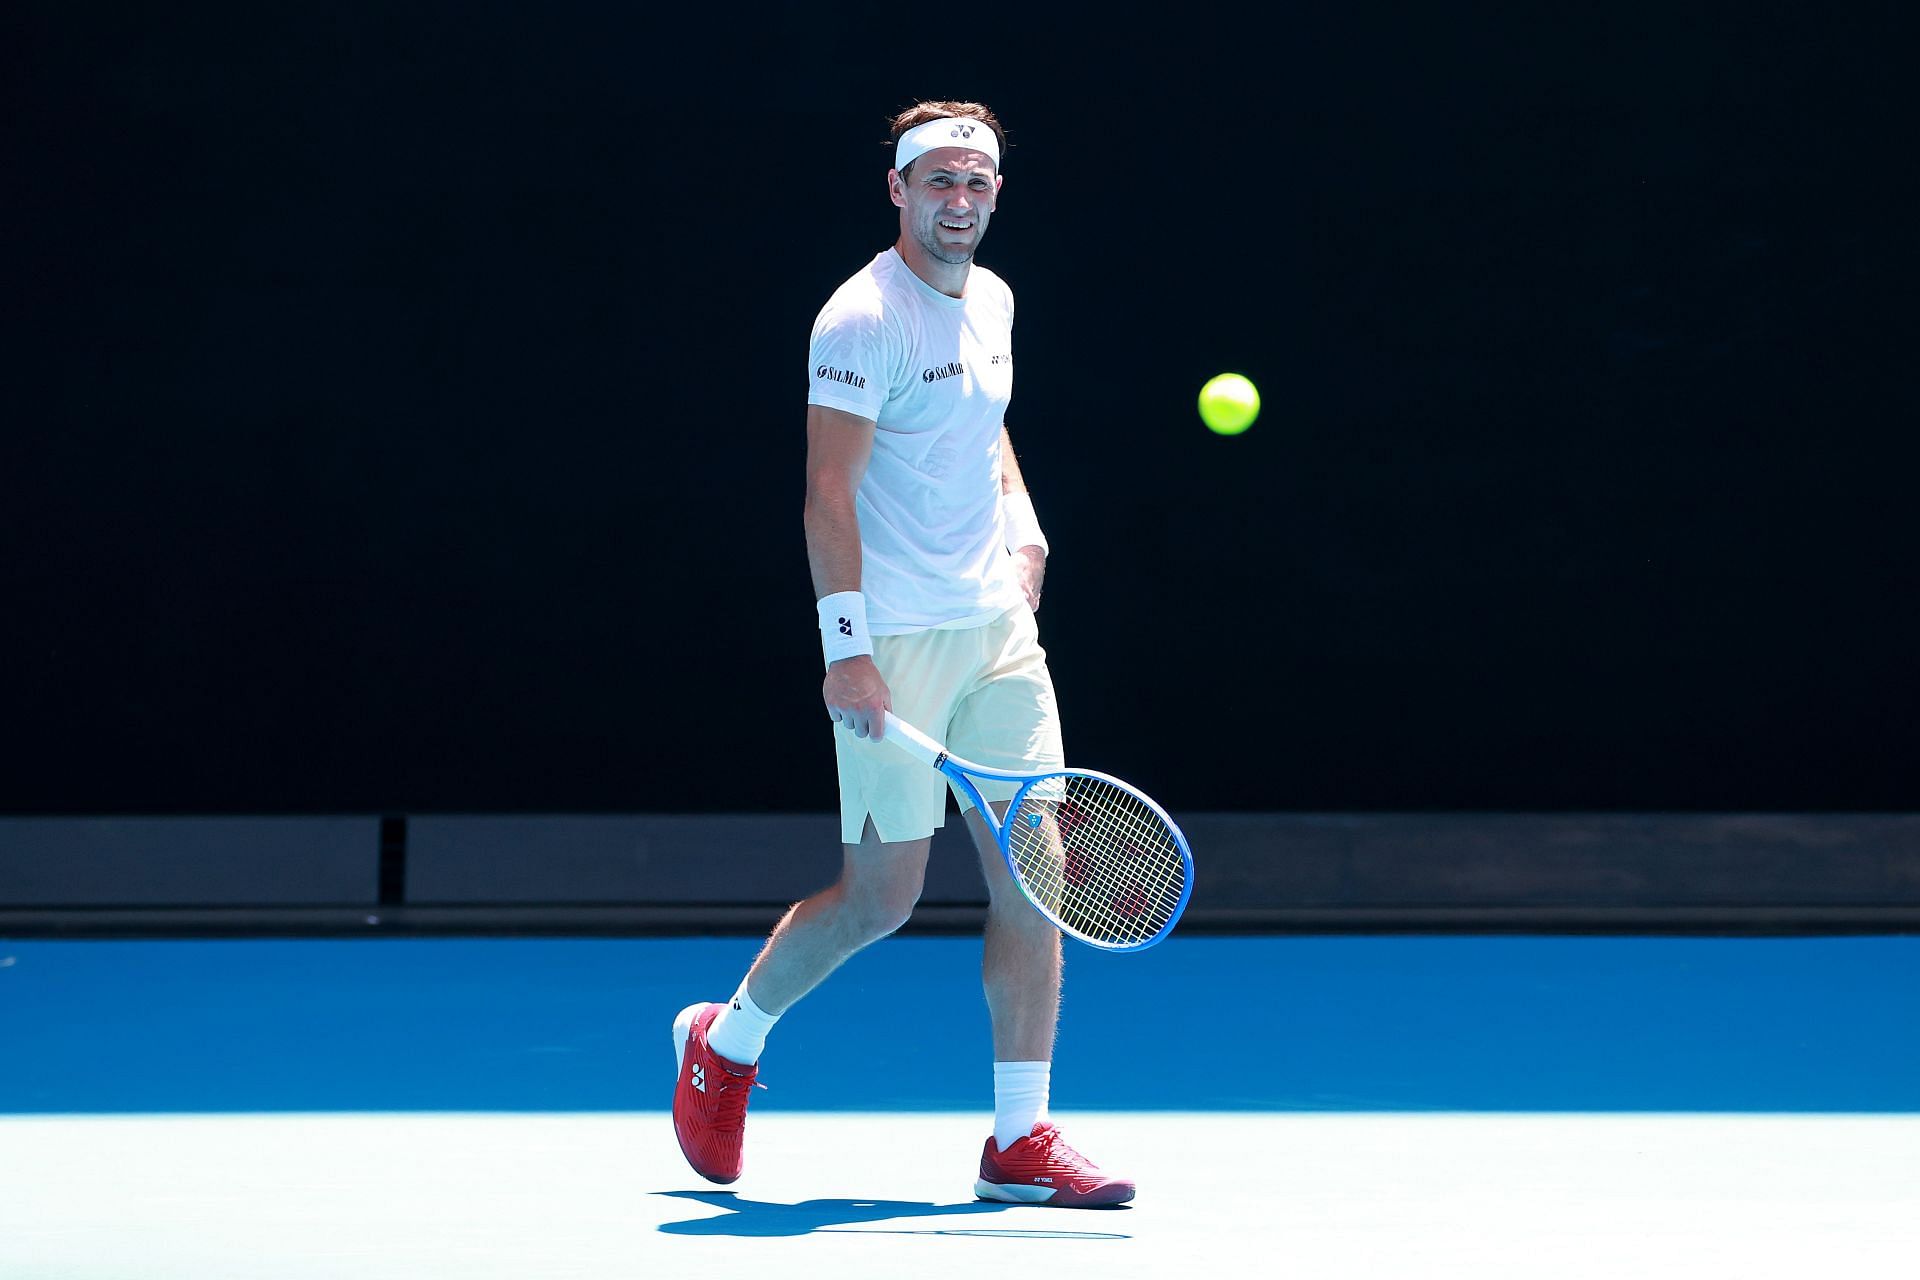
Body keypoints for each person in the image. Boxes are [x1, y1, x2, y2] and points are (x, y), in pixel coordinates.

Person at [669, 100, 1134, 1208]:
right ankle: (725, 1041)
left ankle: (1018, 1139)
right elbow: (827, 493)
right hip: (895, 642)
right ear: (899, 191)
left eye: (977, 183)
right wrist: (848, 651)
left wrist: (1026, 524)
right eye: (939, 184)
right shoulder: (858, 321)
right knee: (881, 898)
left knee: (1041, 870)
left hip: (998, 637)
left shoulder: (998, 300)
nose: (959, 201)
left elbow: (984, 425)